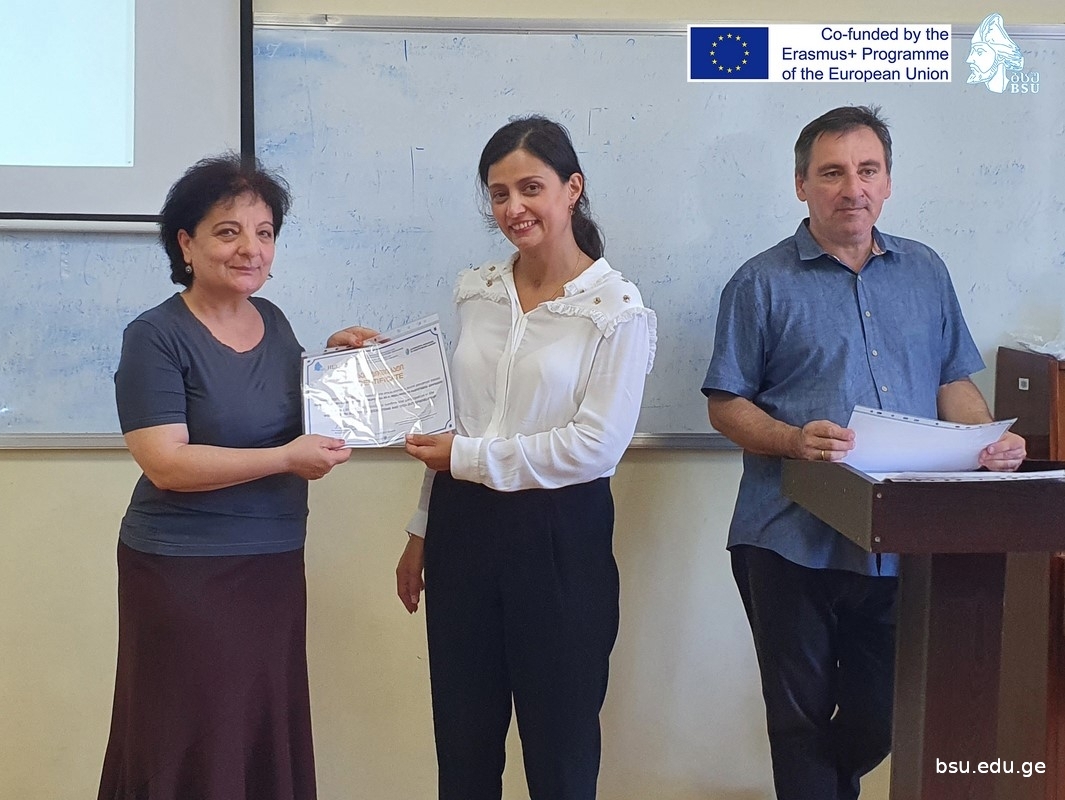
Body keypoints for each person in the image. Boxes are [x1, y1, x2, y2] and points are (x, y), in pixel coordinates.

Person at [702, 105, 1026, 800]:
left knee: (882, 715)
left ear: (887, 182)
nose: (852, 188)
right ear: (801, 185)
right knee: (797, 724)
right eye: (831, 173)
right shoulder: (758, 283)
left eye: (867, 170)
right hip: (787, 538)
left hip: (901, 537)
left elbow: (951, 380)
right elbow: (724, 404)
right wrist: (792, 439)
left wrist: (987, 440)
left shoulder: (925, 270)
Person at [394, 115, 657, 800]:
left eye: (530, 188)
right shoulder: (476, 291)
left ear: (573, 189)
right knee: (463, 748)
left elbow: (594, 447)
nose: (513, 208)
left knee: (560, 756)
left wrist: (467, 458)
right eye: (499, 193)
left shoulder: (617, 309)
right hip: (461, 531)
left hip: (560, 540)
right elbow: (458, 421)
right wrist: (422, 531)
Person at [98, 153, 361, 800]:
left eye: (264, 232)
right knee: (190, 734)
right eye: (228, 231)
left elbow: (287, 412)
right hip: (185, 573)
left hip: (274, 565)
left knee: (258, 729)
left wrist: (340, 366)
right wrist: (285, 460)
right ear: (185, 243)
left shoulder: (274, 321)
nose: (251, 248)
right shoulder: (154, 336)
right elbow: (166, 463)